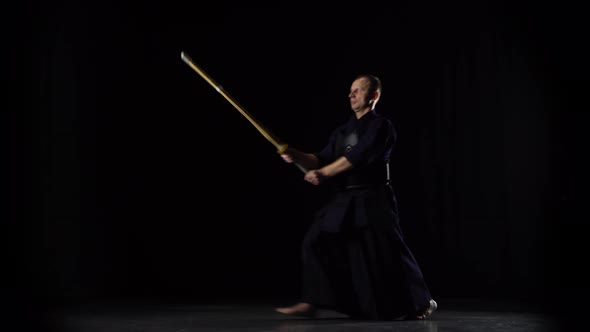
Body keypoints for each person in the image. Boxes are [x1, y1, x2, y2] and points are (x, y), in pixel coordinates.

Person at [275, 74, 436, 320]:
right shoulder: (342, 131)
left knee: (387, 250)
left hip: (374, 197)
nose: (351, 95)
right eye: (351, 90)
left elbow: (358, 156)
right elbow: (321, 158)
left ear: (374, 96)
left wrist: (323, 173)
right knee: (315, 240)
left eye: (358, 91)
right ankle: (311, 302)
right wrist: (296, 155)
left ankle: (422, 301)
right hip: (346, 198)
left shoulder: (381, 126)